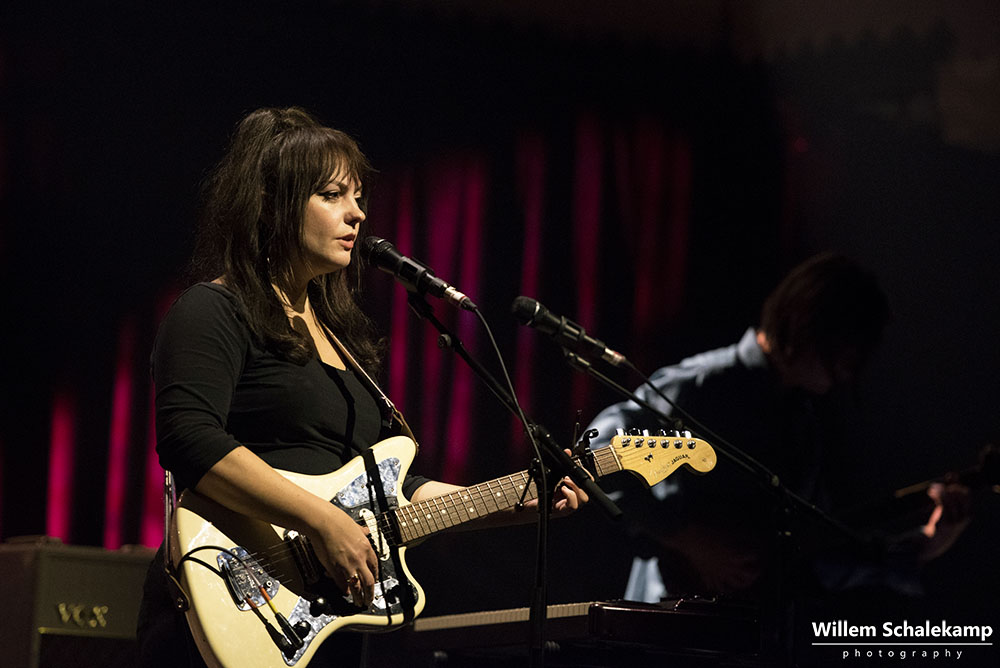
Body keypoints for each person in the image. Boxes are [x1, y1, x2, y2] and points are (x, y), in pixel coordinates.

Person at [136, 107, 587, 668]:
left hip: (325, 620)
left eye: (357, 196)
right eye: (332, 195)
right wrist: (322, 520)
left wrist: (514, 501)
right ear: (272, 205)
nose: (358, 213)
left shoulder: (338, 338)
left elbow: (392, 490)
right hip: (232, 598)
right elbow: (189, 439)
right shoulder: (213, 309)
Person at [585, 253, 970, 635]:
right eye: (849, 354)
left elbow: (810, 551)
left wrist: (924, 544)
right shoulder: (703, 384)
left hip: (749, 638)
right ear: (809, 329)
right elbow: (600, 450)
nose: (850, 373)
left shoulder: (801, 421)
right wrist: (687, 537)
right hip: (666, 627)